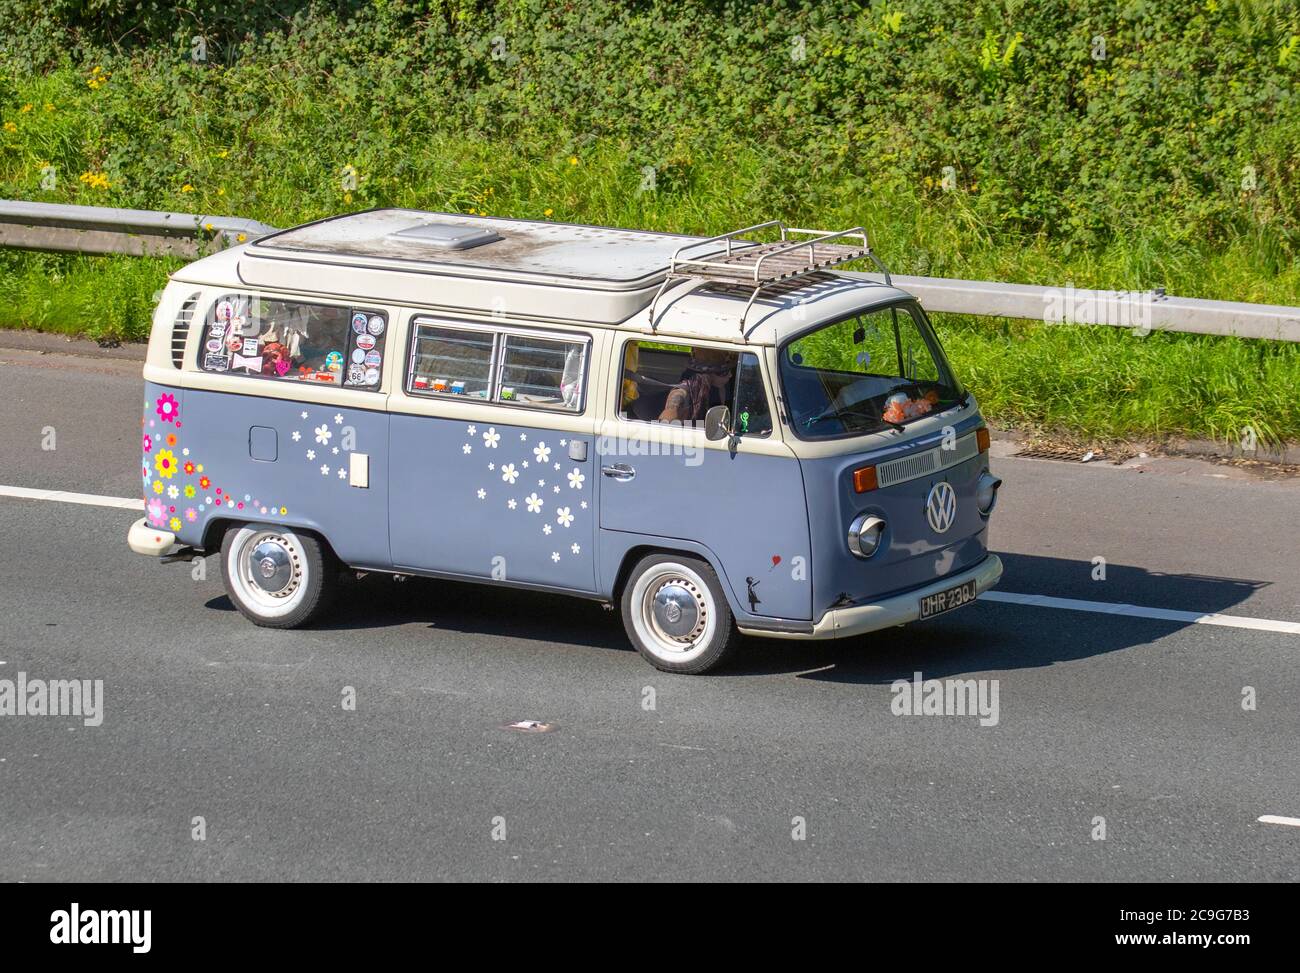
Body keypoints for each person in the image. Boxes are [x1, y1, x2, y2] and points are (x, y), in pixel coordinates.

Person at [658, 347, 734, 423]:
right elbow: (665, 422)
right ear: (707, 374)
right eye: (724, 372)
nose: (730, 375)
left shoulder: (718, 388)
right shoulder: (681, 393)